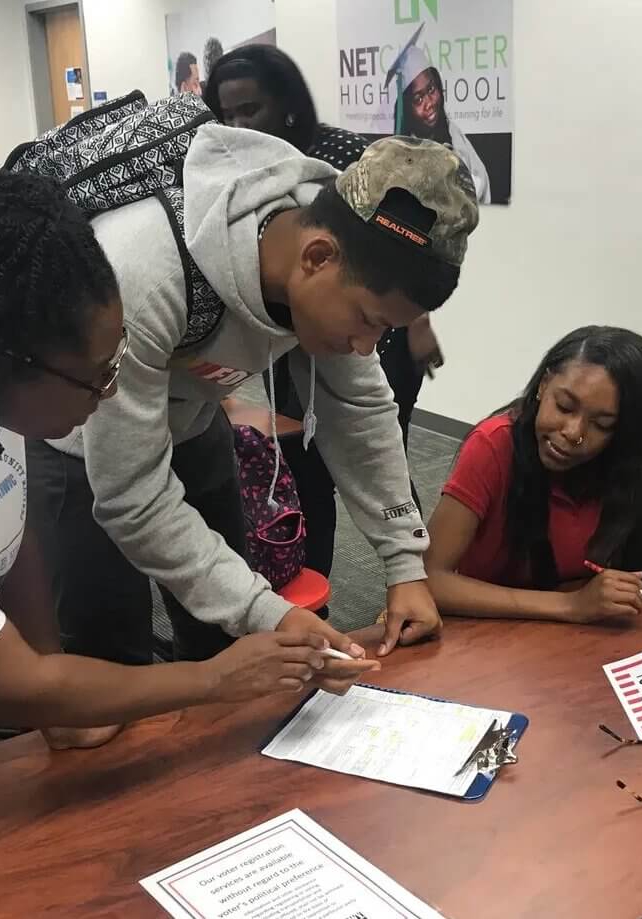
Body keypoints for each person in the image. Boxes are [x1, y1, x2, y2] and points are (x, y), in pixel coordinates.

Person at [0, 169, 337, 798]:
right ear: (6, 361)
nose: (111, 391)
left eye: (116, 359)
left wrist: (52, 680)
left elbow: (8, 528)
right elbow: (11, 688)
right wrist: (216, 679)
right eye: (97, 376)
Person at [29, 127, 478, 674]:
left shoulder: (333, 249)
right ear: (317, 257)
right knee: (108, 671)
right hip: (78, 442)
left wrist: (405, 565)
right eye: (366, 322)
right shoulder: (144, 277)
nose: (365, 347)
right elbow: (133, 498)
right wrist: (270, 612)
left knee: (227, 650)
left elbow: (361, 413)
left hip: (193, 423)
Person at [203, 44, 443, 578]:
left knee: (369, 446)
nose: (239, 123)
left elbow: (398, 266)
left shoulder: (342, 162)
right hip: (310, 318)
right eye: (227, 113)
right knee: (302, 461)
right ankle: (308, 581)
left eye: (250, 109)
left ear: (286, 106)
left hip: (371, 316)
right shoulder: (217, 211)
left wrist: (415, 324)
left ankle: (413, 566)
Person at [424, 326, 642, 623]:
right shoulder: (493, 446)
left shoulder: (611, 461)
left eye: (602, 425)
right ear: (543, 386)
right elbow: (430, 579)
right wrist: (572, 604)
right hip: (481, 632)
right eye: (564, 407)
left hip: (564, 638)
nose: (573, 433)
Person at [392, 47, 490, 205]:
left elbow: (481, 181)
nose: (429, 103)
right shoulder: (405, 153)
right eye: (418, 99)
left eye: (431, 89)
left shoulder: (453, 132)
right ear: (407, 111)